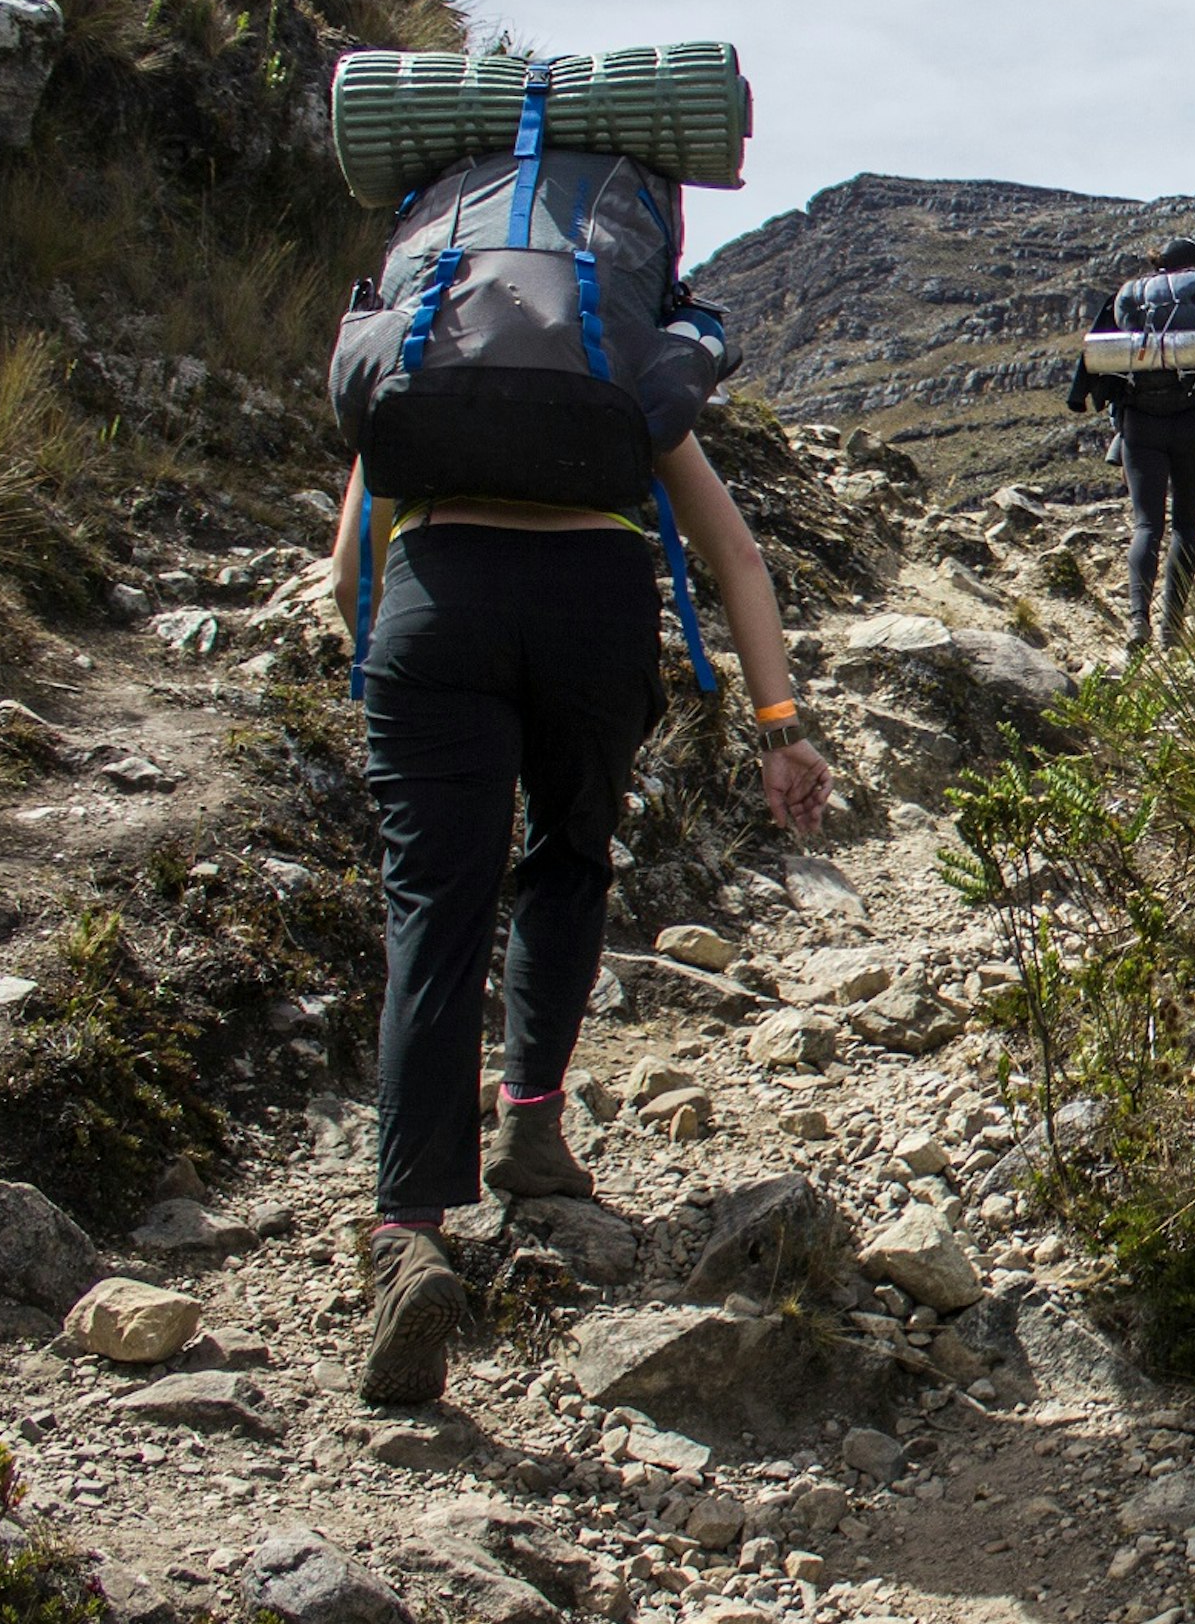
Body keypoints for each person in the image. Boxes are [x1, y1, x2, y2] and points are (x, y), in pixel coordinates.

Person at [326, 438, 831, 1406]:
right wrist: (781, 727)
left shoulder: (428, 332)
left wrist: (393, 632)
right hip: (596, 607)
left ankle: (407, 1235)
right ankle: (531, 1125)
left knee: (434, 906)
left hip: (438, 592)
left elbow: (350, 565)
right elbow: (738, 555)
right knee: (567, 865)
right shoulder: (609, 337)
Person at [1066, 233, 1195, 651]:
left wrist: (1120, 432)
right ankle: (1172, 630)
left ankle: (1137, 623)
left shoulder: (1129, 300)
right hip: (1194, 425)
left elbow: (1104, 370)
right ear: (1193, 269)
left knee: (1147, 525)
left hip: (1139, 428)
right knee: (1185, 526)